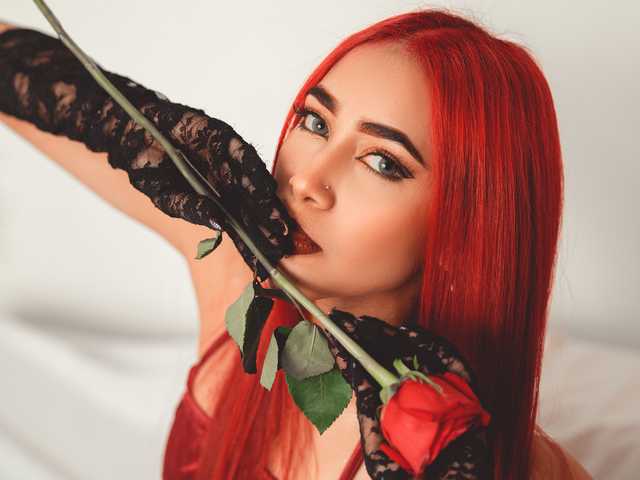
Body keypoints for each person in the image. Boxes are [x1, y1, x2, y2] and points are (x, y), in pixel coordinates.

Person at [0, 8, 593, 480]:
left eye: (382, 162)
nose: (307, 179)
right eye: (315, 123)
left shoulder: (478, 455)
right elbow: (18, 73)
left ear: (463, 225)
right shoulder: (228, 261)